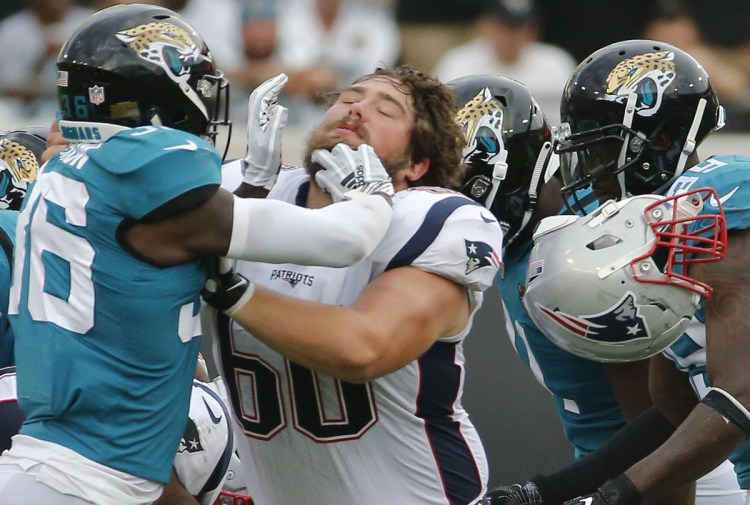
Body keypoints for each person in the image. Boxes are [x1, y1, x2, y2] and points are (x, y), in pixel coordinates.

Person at [0, 4, 398, 503]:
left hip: (58, 467)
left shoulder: (66, 170)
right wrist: (373, 195)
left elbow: (181, 253)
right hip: (85, 481)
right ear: (161, 93)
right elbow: (343, 240)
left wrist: (252, 185)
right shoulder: (143, 169)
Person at [199, 66, 504, 504]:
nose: (357, 108)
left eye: (386, 110)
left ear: (418, 164)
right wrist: (247, 189)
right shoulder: (250, 189)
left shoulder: (436, 219)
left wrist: (229, 289)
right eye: (348, 98)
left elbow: (363, 348)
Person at [484, 39, 750, 505]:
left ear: (661, 140)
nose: (588, 170)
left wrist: (616, 496)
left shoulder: (713, 198)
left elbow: (743, 390)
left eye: (601, 148)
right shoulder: (657, 231)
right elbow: (669, 413)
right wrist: (546, 492)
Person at [434, 0, 576, 124]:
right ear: (485, 26)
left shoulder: (555, 63)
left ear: (533, 31)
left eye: (518, 28)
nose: (510, 36)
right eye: (503, 27)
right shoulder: (459, 62)